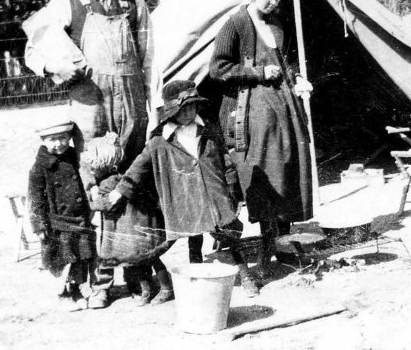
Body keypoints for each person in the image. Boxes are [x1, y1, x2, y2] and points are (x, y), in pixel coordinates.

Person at [23, 0, 162, 175]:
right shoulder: (66, 0)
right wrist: (56, 67)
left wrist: (156, 109)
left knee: (136, 177)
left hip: (132, 106)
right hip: (90, 107)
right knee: (93, 177)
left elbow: (149, 60)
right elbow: (34, 51)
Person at [108, 80, 260, 297]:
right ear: (172, 111)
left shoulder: (208, 128)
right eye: (184, 107)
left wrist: (233, 190)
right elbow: (139, 166)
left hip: (214, 195)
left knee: (229, 236)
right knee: (193, 237)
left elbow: (225, 158)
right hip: (184, 197)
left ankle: (245, 276)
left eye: (193, 106)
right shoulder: (160, 139)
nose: (189, 111)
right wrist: (120, 191)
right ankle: (196, 280)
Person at [209, 0, 313, 277]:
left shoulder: (276, 23)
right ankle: (270, 244)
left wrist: (297, 78)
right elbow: (218, 69)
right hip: (251, 111)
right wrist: (256, 73)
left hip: (283, 108)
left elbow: (283, 61)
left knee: (289, 168)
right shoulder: (236, 24)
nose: (274, 1)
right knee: (267, 172)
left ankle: (284, 240)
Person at [82, 133, 172, 307]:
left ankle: (164, 288)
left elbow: (109, 205)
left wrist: (92, 204)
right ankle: (148, 289)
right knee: (142, 260)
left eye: (95, 165)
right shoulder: (120, 177)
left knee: (147, 259)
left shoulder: (109, 183)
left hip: (129, 231)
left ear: (107, 166)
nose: (91, 169)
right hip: (133, 229)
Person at [28, 120, 95, 312]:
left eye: (63, 138)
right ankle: (64, 295)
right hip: (56, 223)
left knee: (80, 260)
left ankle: (77, 291)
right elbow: (35, 199)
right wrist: (40, 225)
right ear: (43, 141)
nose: (59, 144)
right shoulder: (39, 168)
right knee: (63, 261)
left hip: (78, 218)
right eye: (53, 140)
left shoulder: (74, 158)